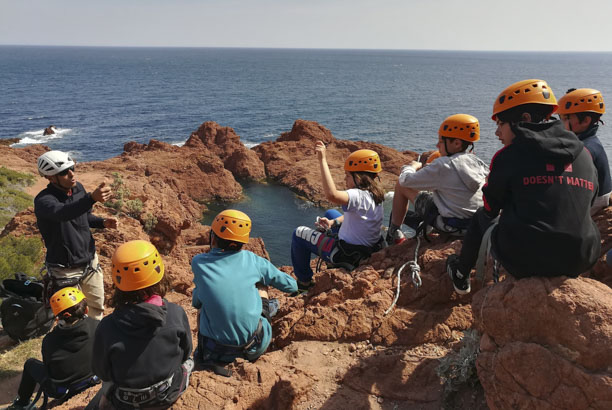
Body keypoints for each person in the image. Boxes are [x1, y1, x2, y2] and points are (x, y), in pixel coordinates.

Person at [447, 79, 601, 294]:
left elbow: (491, 207)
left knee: (481, 218)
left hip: (526, 261)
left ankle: (461, 275)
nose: (497, 133)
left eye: (500, 123)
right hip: (582, 257)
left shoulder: (507, 156)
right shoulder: (584, 153)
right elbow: (590, 200)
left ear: (524, 119)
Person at [191, 210, 297, 375]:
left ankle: (202, 352)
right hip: (256, 345)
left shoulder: (198, 263)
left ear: (213, 237)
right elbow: (291, 286)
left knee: (202, 306)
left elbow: (196, 303)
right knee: (260, 285)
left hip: (216, 353)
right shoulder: (254, 261)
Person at [89, 240, 192, 409]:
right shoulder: (175, 313)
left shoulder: (107, 327)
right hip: (168, 394)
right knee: (189, 363)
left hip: (125, 401)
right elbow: (186, 351)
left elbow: (101, 371)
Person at [35, 150, 117, 320]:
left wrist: (102, 223)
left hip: (89, 263)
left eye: (72, 168)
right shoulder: (44, 200)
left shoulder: (78, 188)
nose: (72, 174)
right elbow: (63, 213)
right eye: (64, 172)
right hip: (64, 270)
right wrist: (91, 198)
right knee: (73, 316)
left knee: (96, 309)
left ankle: (94, 341)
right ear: (50, 177)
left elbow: (83, 216)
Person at [291, 143, 385, 292]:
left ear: (359, 178)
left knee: (298, 233)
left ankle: (304, 283)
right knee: (330, 214)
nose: (345, 180)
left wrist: (322, 159)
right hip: (369, 246)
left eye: (348, 176)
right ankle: (332, 227)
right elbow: (356, 216)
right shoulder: (376, 193)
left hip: (349, 253)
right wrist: (332, 222)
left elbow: (331, 194)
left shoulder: (357, 194)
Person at [387, 114, 489, 244]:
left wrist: (411, 167)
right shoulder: (477, 162)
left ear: (457, 143)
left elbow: (405, 180)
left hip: (452, 227)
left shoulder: (442, 165)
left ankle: (394, 233)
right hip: (475, 225)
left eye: (441, 141)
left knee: (401, 186)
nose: (437, 145)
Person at [8, 287, 99, 410]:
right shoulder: (97, 326)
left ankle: (22, 403)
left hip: (61, 390)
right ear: (86, 310)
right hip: (94, 379)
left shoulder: (50, 341)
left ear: (57, 318)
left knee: (30, 364)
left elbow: (50, 370)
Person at [557, 88, 610, 215]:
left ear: (585, 121)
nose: (560, 123)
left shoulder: (587, 148)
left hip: (596, 200)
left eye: (565, 118)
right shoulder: (588, 141)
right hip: (599, 194)